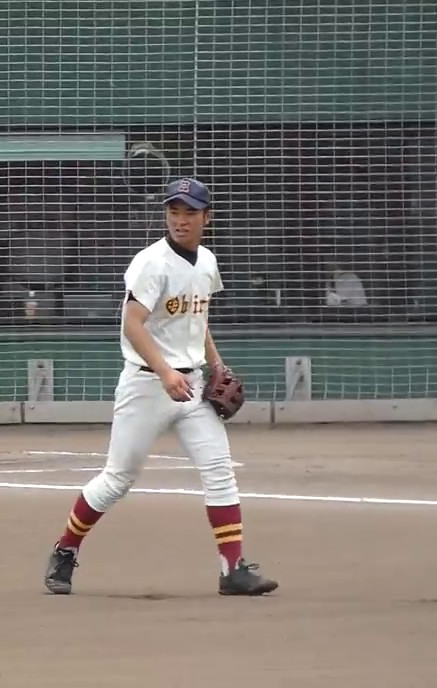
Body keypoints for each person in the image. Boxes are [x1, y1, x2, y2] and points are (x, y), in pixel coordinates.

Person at [42, 178, 279, 597]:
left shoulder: (206, 262)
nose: (180, 219)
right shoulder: (151, 263)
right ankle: (65, 549)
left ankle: (232, 569)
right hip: (147, 385)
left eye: (189, 212)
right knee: (118, 478)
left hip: (193, 386)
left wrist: (217, 364)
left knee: (219, 472)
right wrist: (166, 372)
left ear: (207, 216)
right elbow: (131, 324)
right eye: (174, 211)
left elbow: (198, 320)